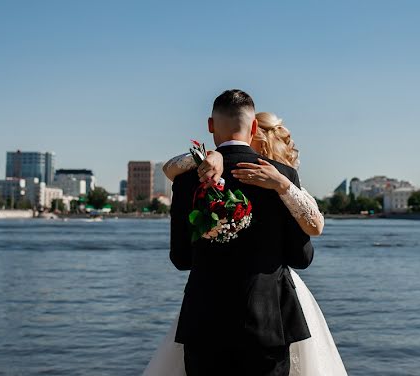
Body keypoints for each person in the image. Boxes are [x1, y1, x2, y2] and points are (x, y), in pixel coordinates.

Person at [144, 91, 346, 376]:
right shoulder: (281, 176)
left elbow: (181, 258)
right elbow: (301, 258)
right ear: (253, 128)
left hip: (203, 322)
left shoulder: (189, 178)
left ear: (210, 125)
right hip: (267, 322)